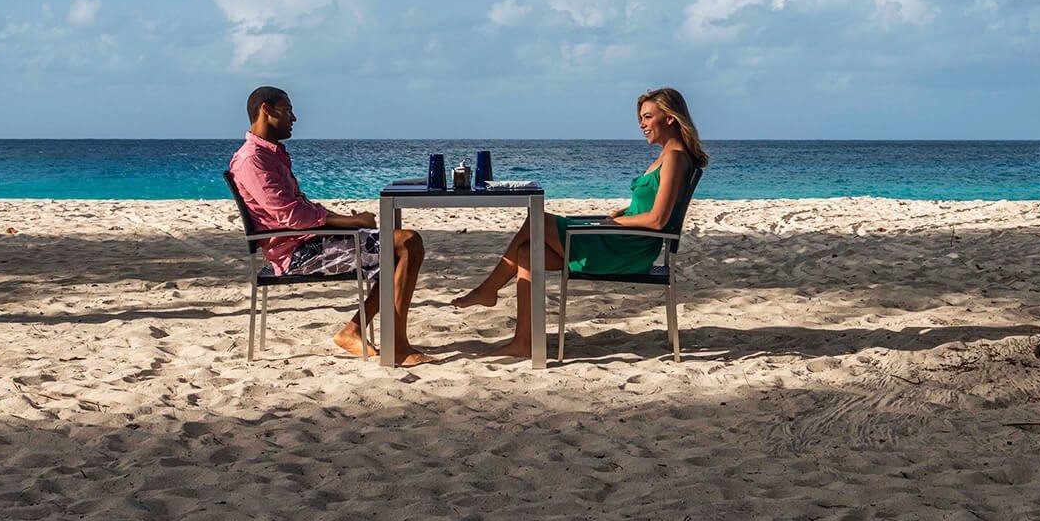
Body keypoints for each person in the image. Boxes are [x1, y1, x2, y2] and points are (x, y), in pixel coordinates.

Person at [452, 86, 708, 359]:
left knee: (537, 221)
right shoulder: (668, 156)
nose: (642, 124)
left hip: (627, 249)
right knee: (528, 252)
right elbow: (649, 204)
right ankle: (523, 342)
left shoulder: (675, 158)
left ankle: (488, 289)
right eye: (640, 119)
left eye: (647, 117)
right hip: (621, 240)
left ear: (670, 118)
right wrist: (622, 213)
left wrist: (614, 224)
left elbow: (658, 220)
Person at [228, 86, 432, 364]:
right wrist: (354, 222)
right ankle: (395, 345)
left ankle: (354, 330)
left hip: (309, 240)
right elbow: (293, 217)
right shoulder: (253, 160)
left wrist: (348, 223)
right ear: (266, 110)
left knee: (402, 247)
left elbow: (301, 209)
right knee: (407, 242)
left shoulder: (270, 154)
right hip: (297, 253)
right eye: (287, 110)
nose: (294, 118)